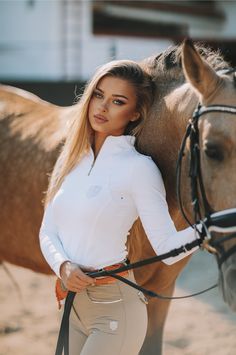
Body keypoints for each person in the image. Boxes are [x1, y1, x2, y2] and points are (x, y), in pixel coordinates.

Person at [39, 59, 200, 355]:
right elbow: (47, 230)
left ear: (135, 113)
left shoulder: (139, 169)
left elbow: (166, 246)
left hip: (115, 311)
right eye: (98, 95)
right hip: (73, 306)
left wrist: (207, 228)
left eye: (117, 101)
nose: (102, 107)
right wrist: (62, 265)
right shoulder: (72, 159)